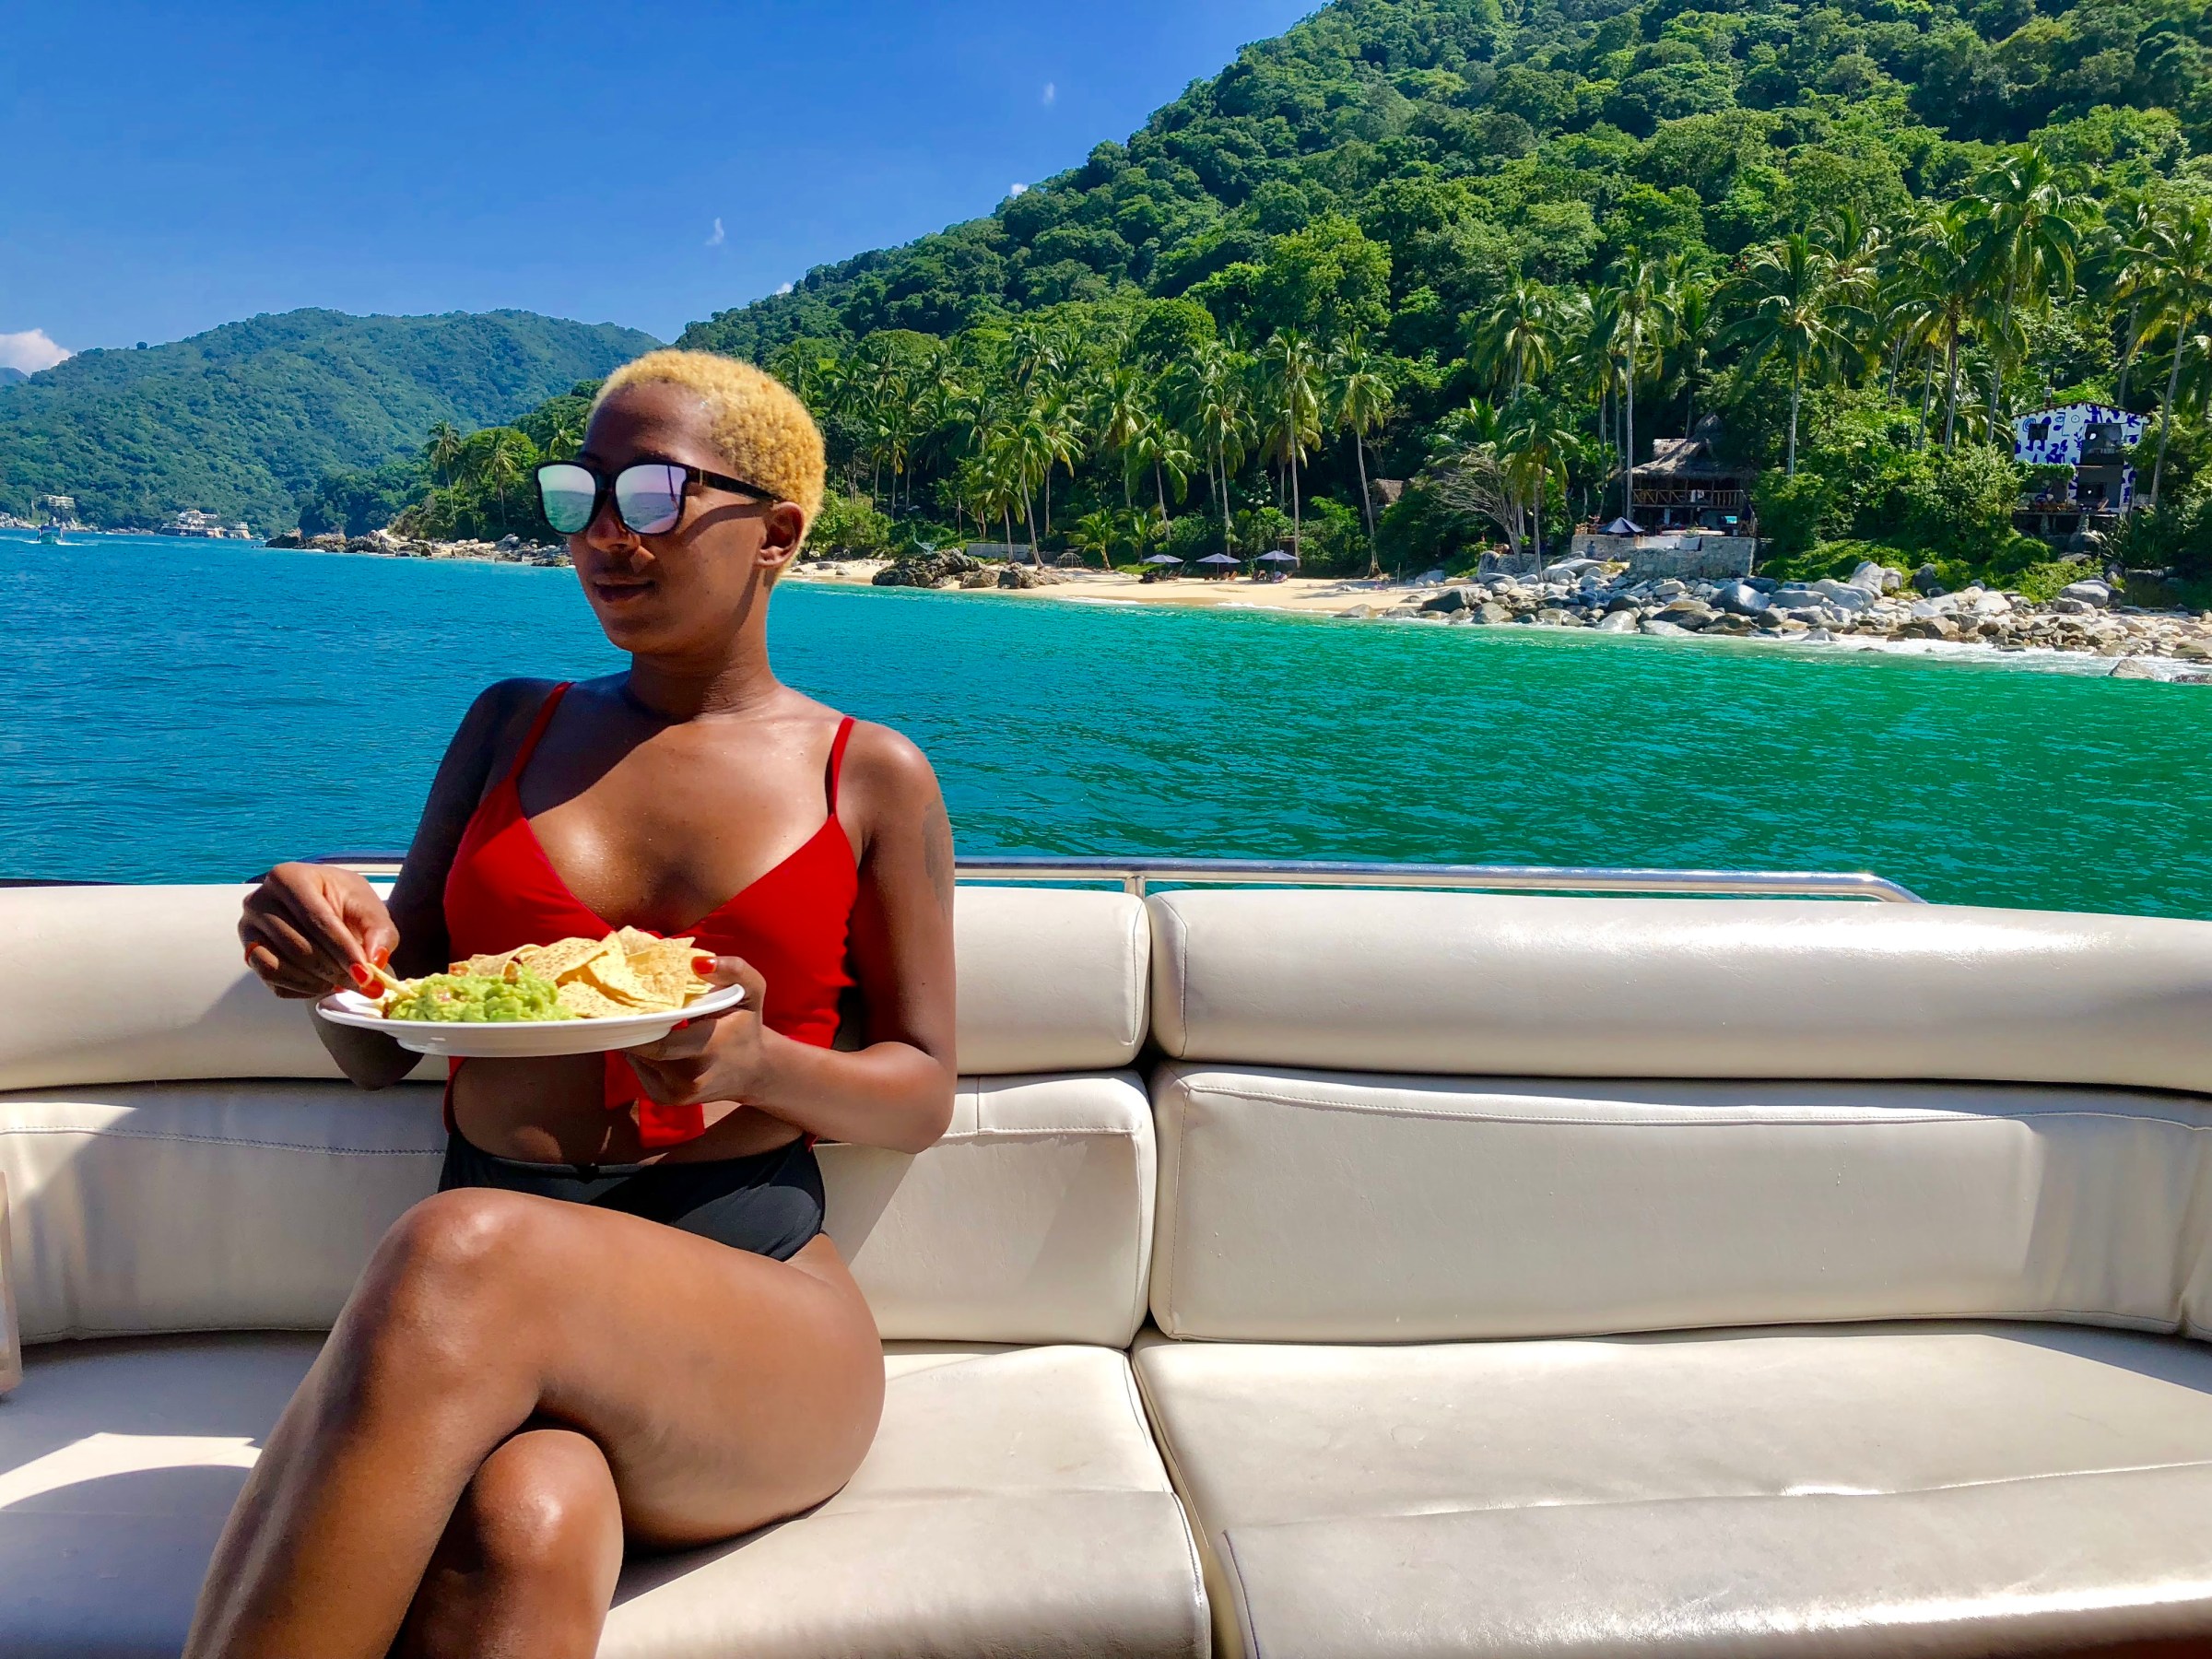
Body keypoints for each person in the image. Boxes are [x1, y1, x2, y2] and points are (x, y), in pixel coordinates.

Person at [194, 350, 958, 1659]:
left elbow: (923, 1089)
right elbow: (386, 1041)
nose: (605, 532)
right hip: (492, 1329)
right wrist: (330, 961)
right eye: (583, 492)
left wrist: (756, 1060)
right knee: (526, 1527)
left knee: (458, 1244)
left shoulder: (869, 774)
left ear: (774, 530)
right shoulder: (508, 727)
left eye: (654, 492)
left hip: (747, 1308)